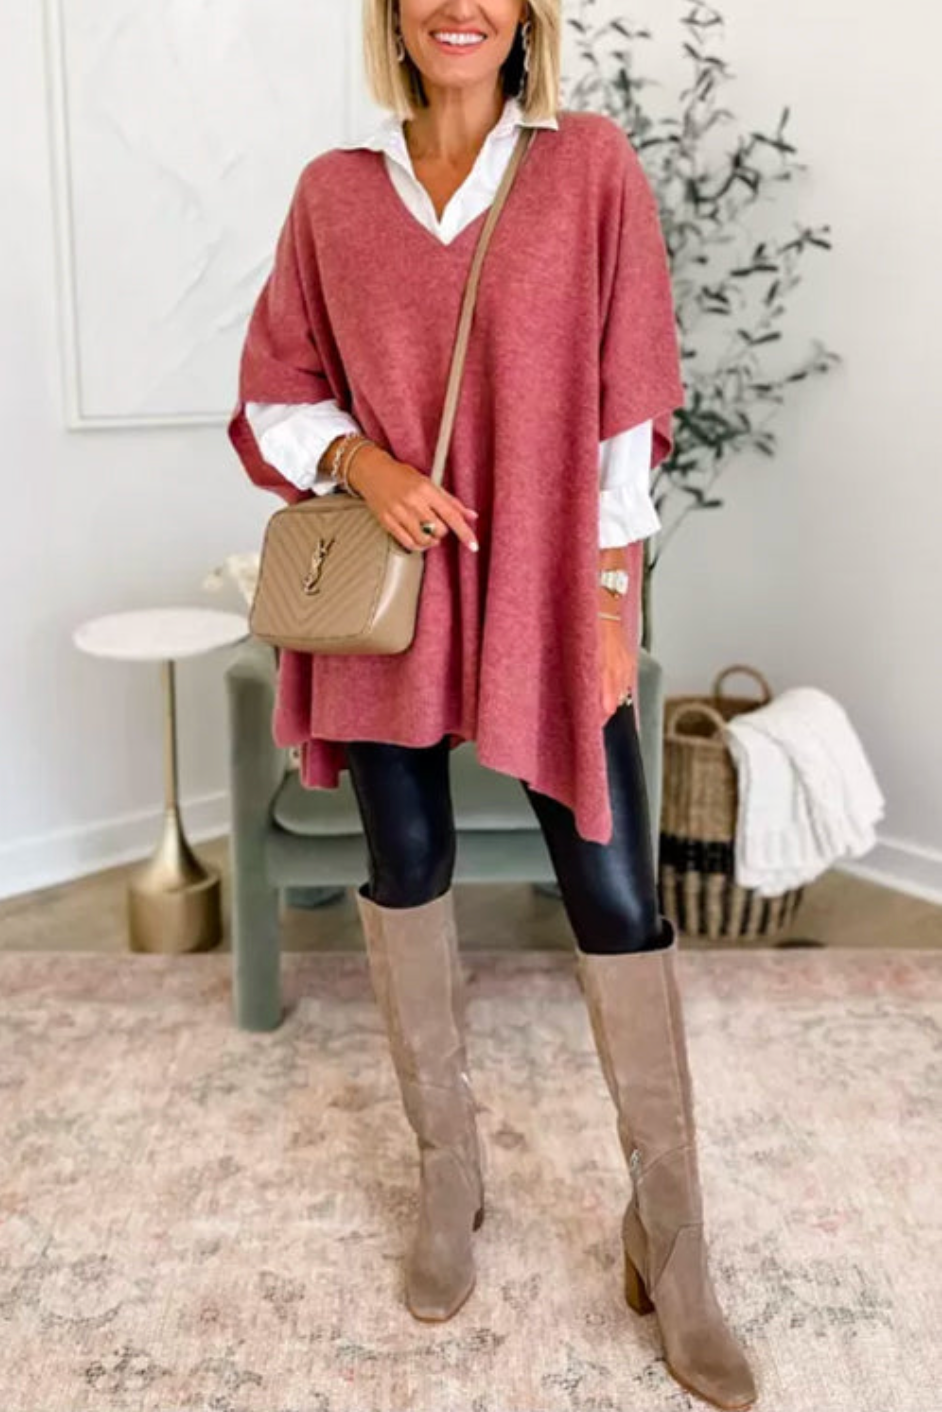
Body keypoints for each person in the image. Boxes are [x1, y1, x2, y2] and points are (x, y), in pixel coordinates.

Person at [227, 3, 757, 1408]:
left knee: (615, 896)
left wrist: (605, 603)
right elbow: (276, 392)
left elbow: (625, 407)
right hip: (394, 589)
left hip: (543, 582)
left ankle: (673, 1237)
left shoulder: (588, 167)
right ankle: (447, 1172)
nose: (458, 4)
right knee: (406, 866)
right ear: (393, 15)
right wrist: (366, 466)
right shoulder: (334, 194)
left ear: (525, 12)